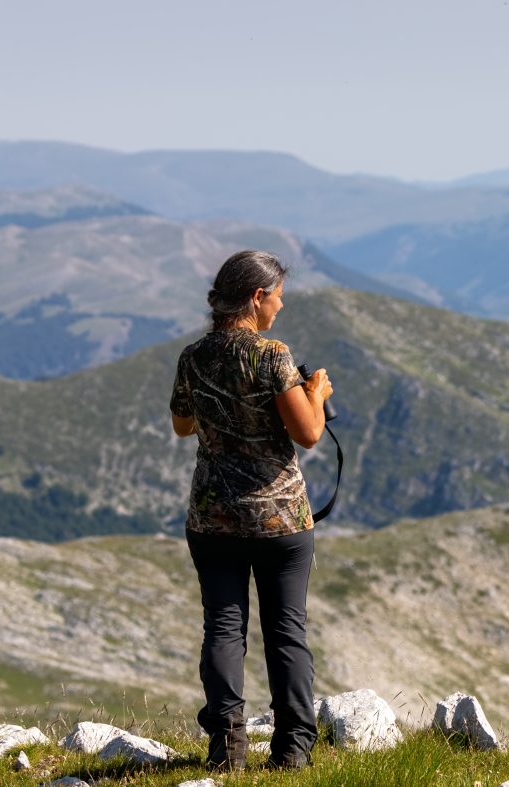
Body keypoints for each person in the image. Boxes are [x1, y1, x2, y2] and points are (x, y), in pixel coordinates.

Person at [169, 249, 334, 771]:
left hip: (213, 516)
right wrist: (317, 393)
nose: (280, 306)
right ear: (257, 297)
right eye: (278, 296)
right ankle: (293, 752)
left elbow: (182, 425)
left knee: (222, 626)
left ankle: (227, 750)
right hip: (279, 519)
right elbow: (308, 433)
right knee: (286, 629)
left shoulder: (193, 357)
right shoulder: (272, 355)